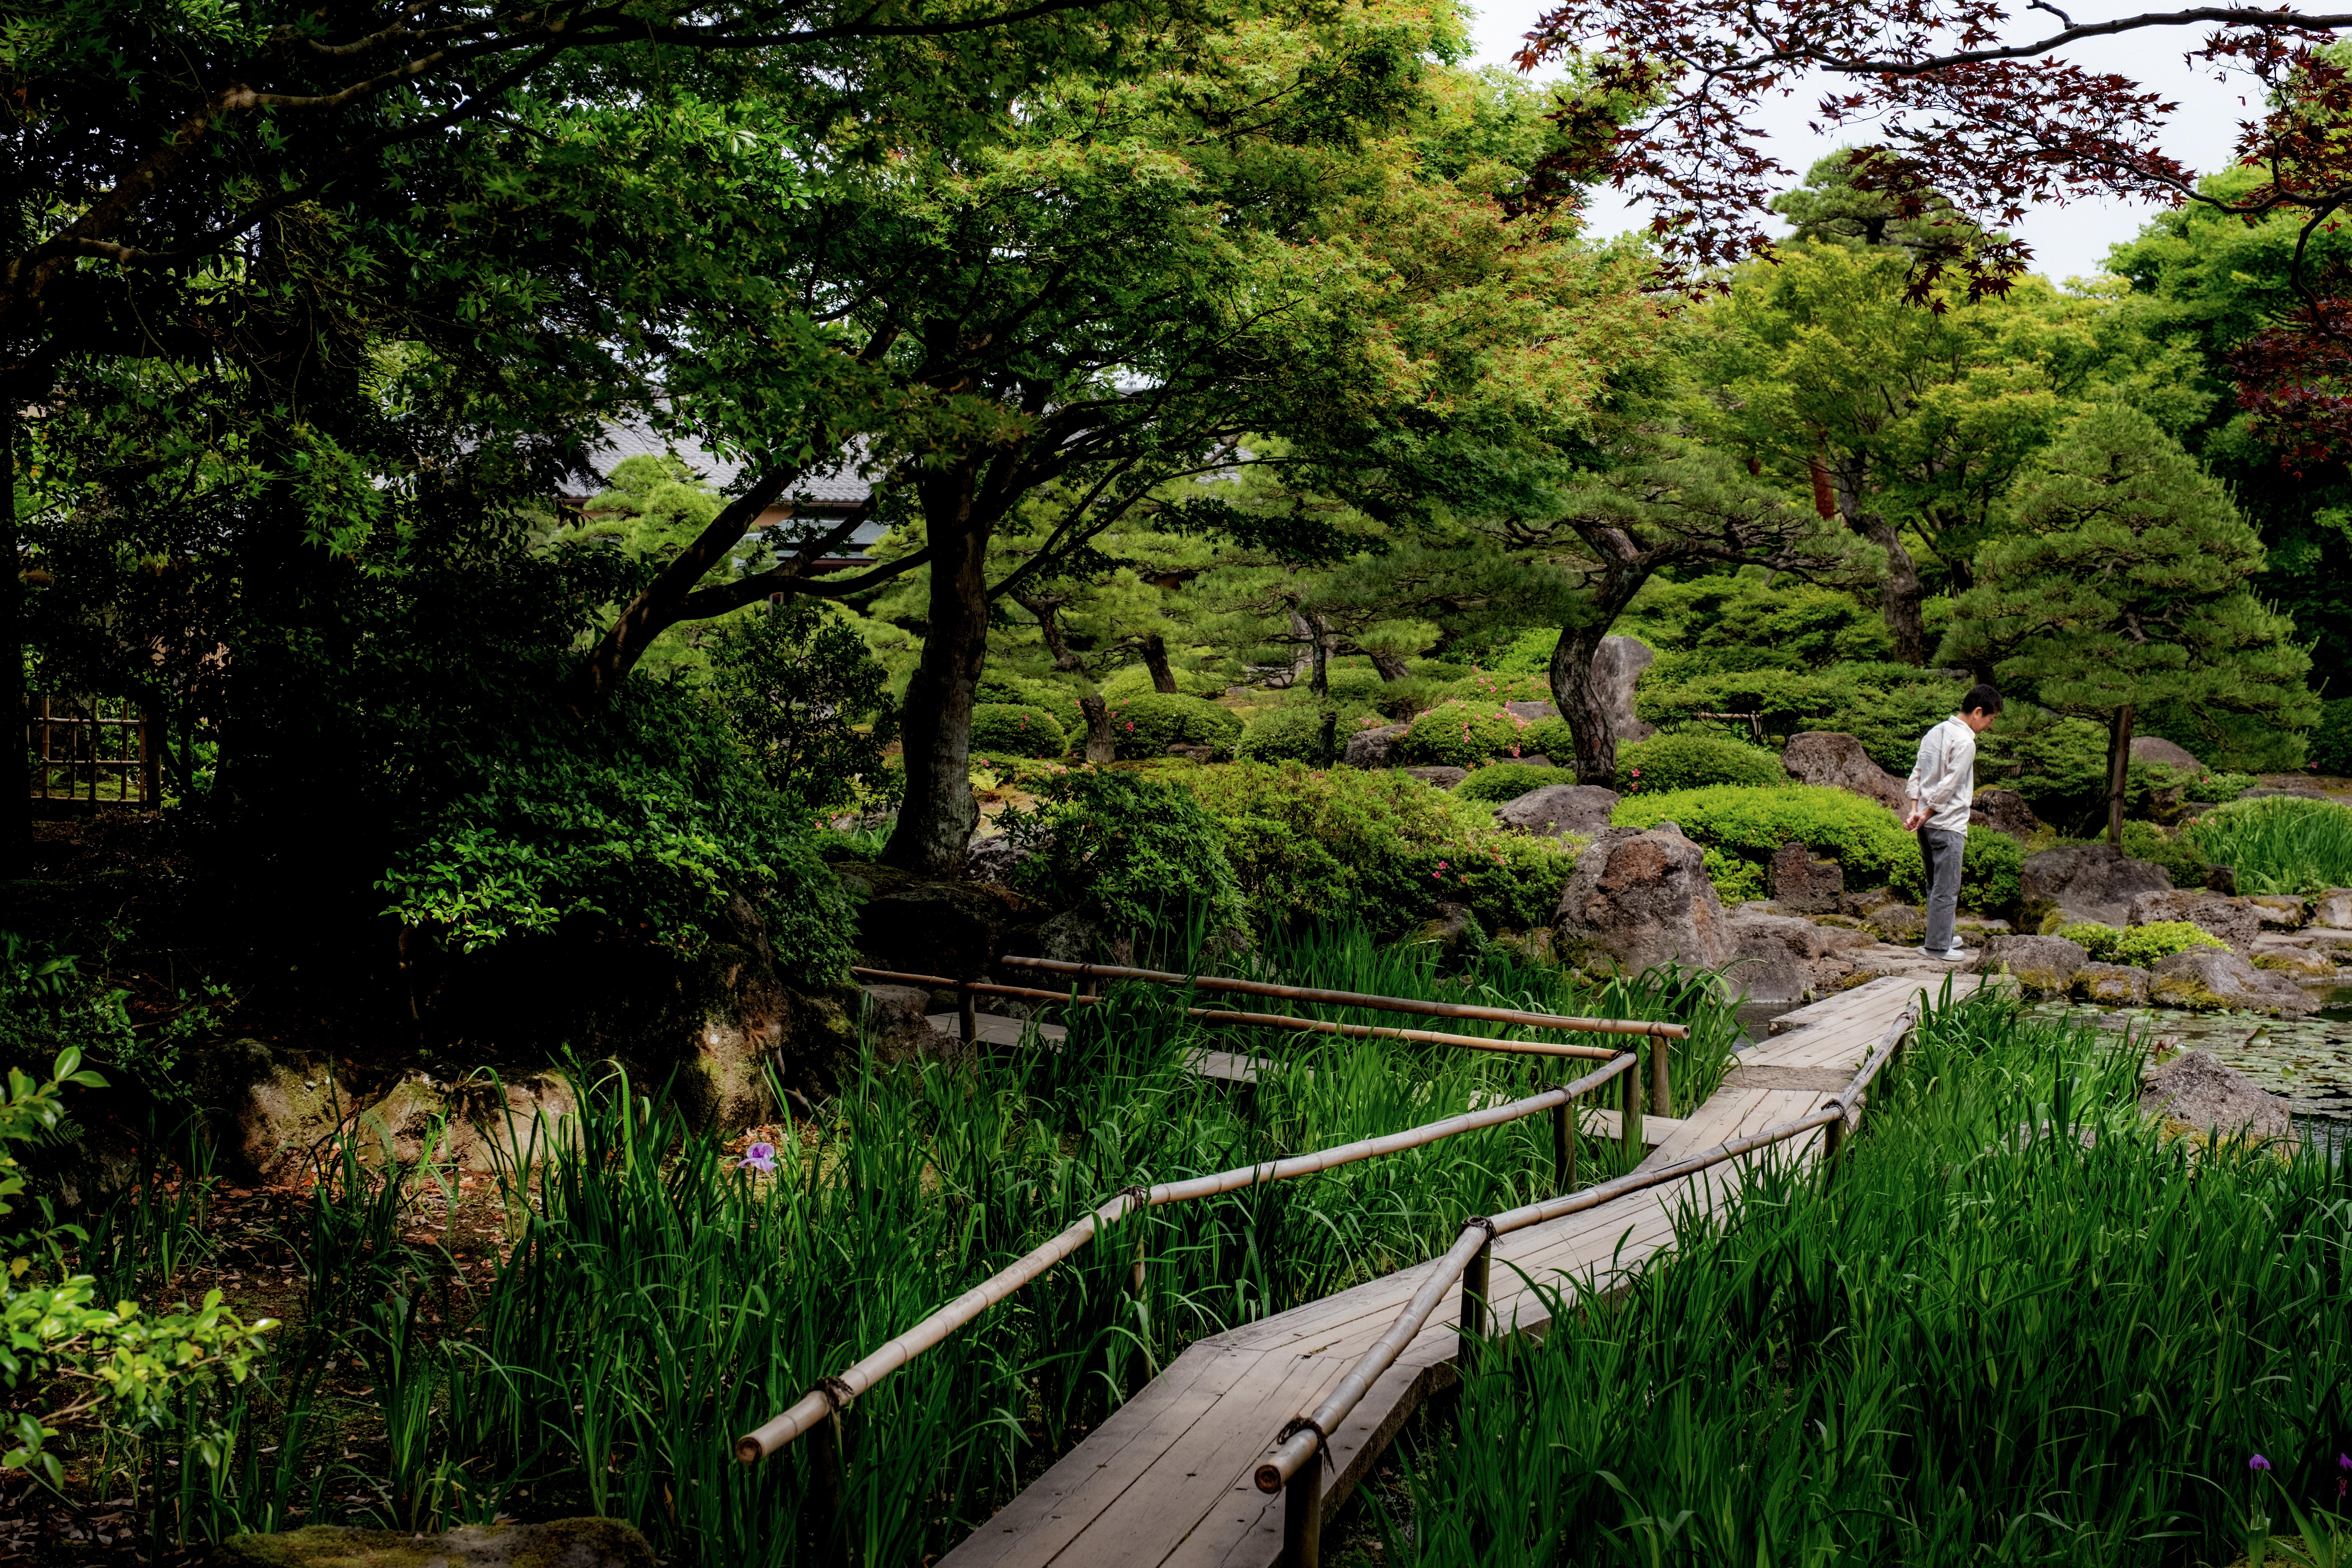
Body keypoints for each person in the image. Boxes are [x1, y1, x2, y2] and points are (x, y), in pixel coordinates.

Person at [1902, 684, 2003, 962]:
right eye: (1990, 720)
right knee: (1946, 888)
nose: (1989, 726)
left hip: (1926, 824)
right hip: (1947, 825)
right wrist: (1927, 813)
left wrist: (1916, 812)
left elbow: (1917, 774)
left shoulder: (1934, 732)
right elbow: (1950, 785)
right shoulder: (1966, 743)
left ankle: (1942, 935)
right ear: (1978, 712)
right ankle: (1936, 947)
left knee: (1934, 885)